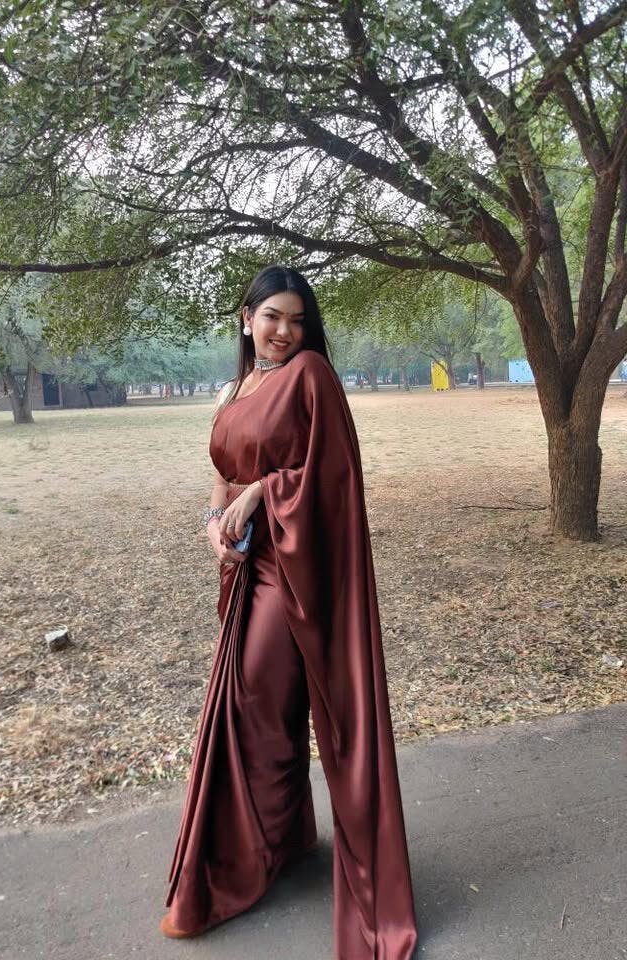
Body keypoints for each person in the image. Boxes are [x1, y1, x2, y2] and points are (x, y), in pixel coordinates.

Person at [161, 265, 418, 960]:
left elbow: (333, 473)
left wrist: (262, 493)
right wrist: (214, 522)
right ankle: (277, 840)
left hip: (294, 567)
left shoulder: (311, 375)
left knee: (251, 699)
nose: (285, 331)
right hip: (246, 567)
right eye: (272, 316)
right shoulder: (235, 389)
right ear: (245, 317)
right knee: (262, 712)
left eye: (297, 320)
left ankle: (245, 861)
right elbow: (222, 473)